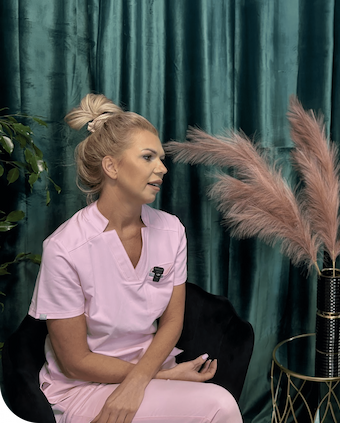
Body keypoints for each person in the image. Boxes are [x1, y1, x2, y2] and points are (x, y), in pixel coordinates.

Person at [28, 94, 242, 423]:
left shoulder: (171, 231)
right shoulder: (65, 248)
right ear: (111, 166)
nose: (162, 168)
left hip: (150, 371)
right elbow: (74, 362)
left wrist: (142, 379)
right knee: (220, 406)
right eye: (147, 157)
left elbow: (172, 322)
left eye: (161, 158)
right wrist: (158, 378)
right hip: (84, 387)